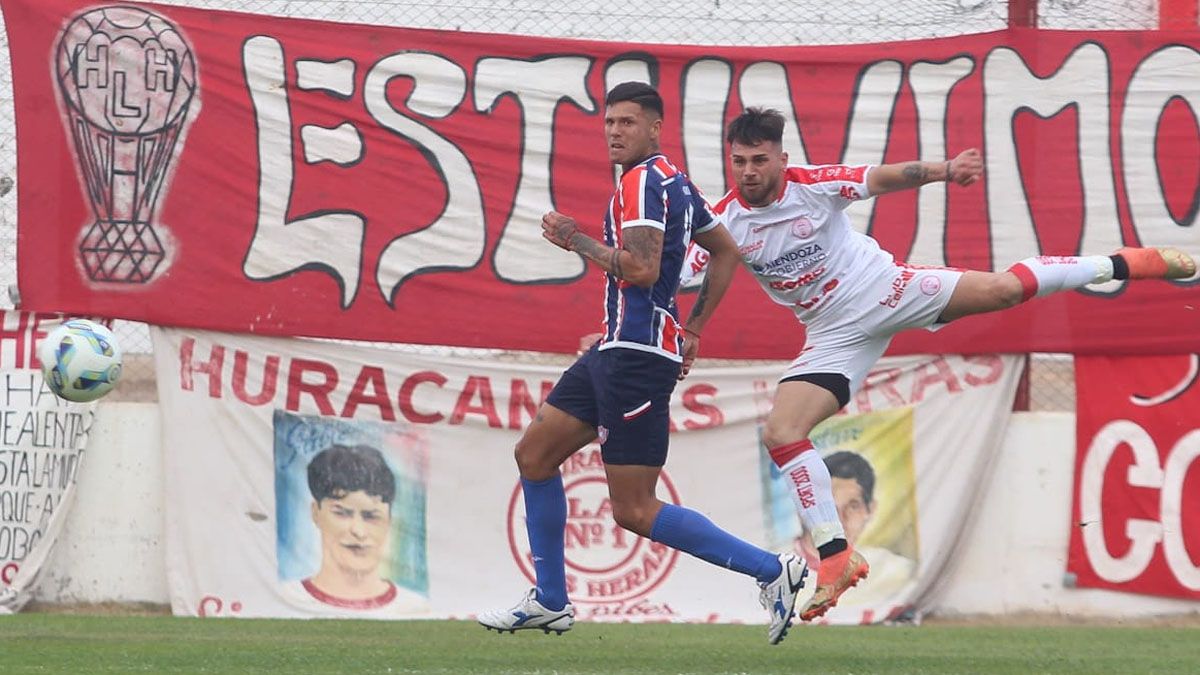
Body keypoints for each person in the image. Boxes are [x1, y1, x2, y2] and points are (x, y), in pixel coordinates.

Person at [704, 107, 1196, 621]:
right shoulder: (725, 222)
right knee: (783, 431)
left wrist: (946, 168)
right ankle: (835, 556)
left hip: (886, 290)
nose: (749, 172)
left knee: (1005, 290)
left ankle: (1120, 263)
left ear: (782, 159)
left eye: (759, 160)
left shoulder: (813, 185)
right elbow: (680, 268)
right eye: (739, 161)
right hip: (833, 334)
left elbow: (884, 177)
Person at [477, 83, 807, 645]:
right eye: (610, 123)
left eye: (628, 123)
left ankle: (774, 572)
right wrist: (694, 328)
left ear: (655, 128)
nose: (615, 132)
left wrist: (574, 239)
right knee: (534, 454)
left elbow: (641, 270)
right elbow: (726, 250)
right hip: (617, 348)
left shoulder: (642, 181)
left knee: (632, 508)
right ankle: (551, 601)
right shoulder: (674, 181)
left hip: (635, 358)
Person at [280, 443, 429, 617]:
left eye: (371, 516)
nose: (358, 531)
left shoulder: (415, 609)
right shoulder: (288, 598)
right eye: (342, 513)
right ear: (316, 513)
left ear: (389, 520)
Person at [791, 451, 916, 609]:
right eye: (828, 507)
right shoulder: (776, 570)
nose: (840, 519)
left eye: (853, 506)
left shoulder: (894, 571)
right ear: (804, 510)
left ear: (870, 510)